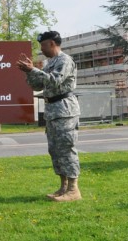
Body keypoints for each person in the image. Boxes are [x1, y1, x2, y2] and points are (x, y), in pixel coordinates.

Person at [17, 30, 81, 202]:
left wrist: (34, 70)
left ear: (52, 43)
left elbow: (54, 81)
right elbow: (37, 85)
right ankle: (63, 187)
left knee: (66, 148)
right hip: (53, 110)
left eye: (43, 45)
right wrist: (29, 72)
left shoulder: (64, 60)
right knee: (55, 150)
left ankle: (74, 190)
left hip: (65, 110)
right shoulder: (50, 62)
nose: (41, 49)